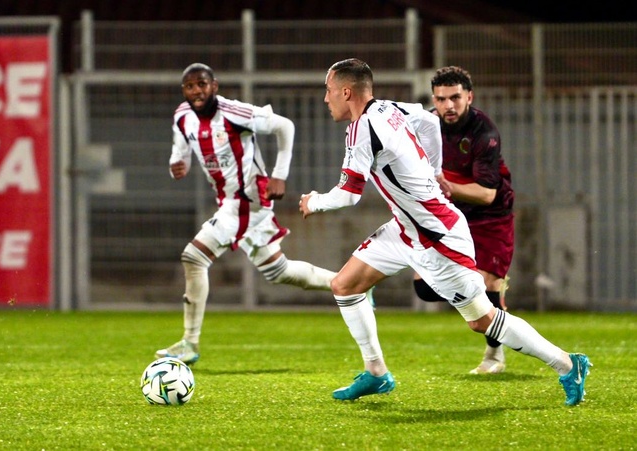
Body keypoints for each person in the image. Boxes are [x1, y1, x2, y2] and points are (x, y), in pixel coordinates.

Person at [299, 58, 591, 406]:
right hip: (408, 229)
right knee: (345, 285)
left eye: (329, 91)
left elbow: (348, 195)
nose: (325, 98)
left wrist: (313, 202)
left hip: (436, 238)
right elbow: (428, 120)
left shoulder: (361, 131)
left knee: (483, 320)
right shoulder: (389, 108)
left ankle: (567, 364)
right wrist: (435, 170)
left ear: (346, 92)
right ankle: (376, 373)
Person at [156, 63, 337, 365]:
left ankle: (189, 342)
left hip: (247, 200)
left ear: (214, 85)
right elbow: (181, 147)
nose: (196, 91)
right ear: (184, 91)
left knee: (194, 257)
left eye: (202, 84)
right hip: (231, 202)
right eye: (189, 86)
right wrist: (178, 162)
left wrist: (280, 175)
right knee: (279, 271)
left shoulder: (232, 112)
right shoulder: (183, 117)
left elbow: (285, 126)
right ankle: (349, 284)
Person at [412, 66, 515, 375]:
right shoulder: (426, 124)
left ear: (469, 96)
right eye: (441, 99)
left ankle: (494, 356)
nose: (449, 106)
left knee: (486, 285)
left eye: (455, 97)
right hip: (448, 213)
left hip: (490, 216)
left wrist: (447, 186)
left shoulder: (484, 132)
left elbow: (486, 194)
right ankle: (493, 303)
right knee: (425, 290)